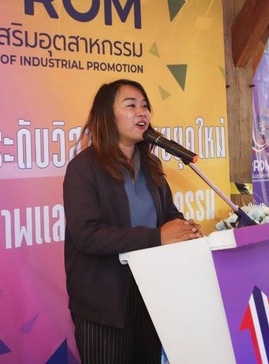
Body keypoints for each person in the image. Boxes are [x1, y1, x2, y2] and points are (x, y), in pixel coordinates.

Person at [63, 79, 203, 364]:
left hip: (150, 295)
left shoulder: (151, 166)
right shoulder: (84, 168)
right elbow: (86, 235)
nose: (142, 112)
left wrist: (183, 229)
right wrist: (158, 237)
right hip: (105, 305)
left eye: (145, 106)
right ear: (107, 115)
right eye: (131, 105)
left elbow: (167, 214)